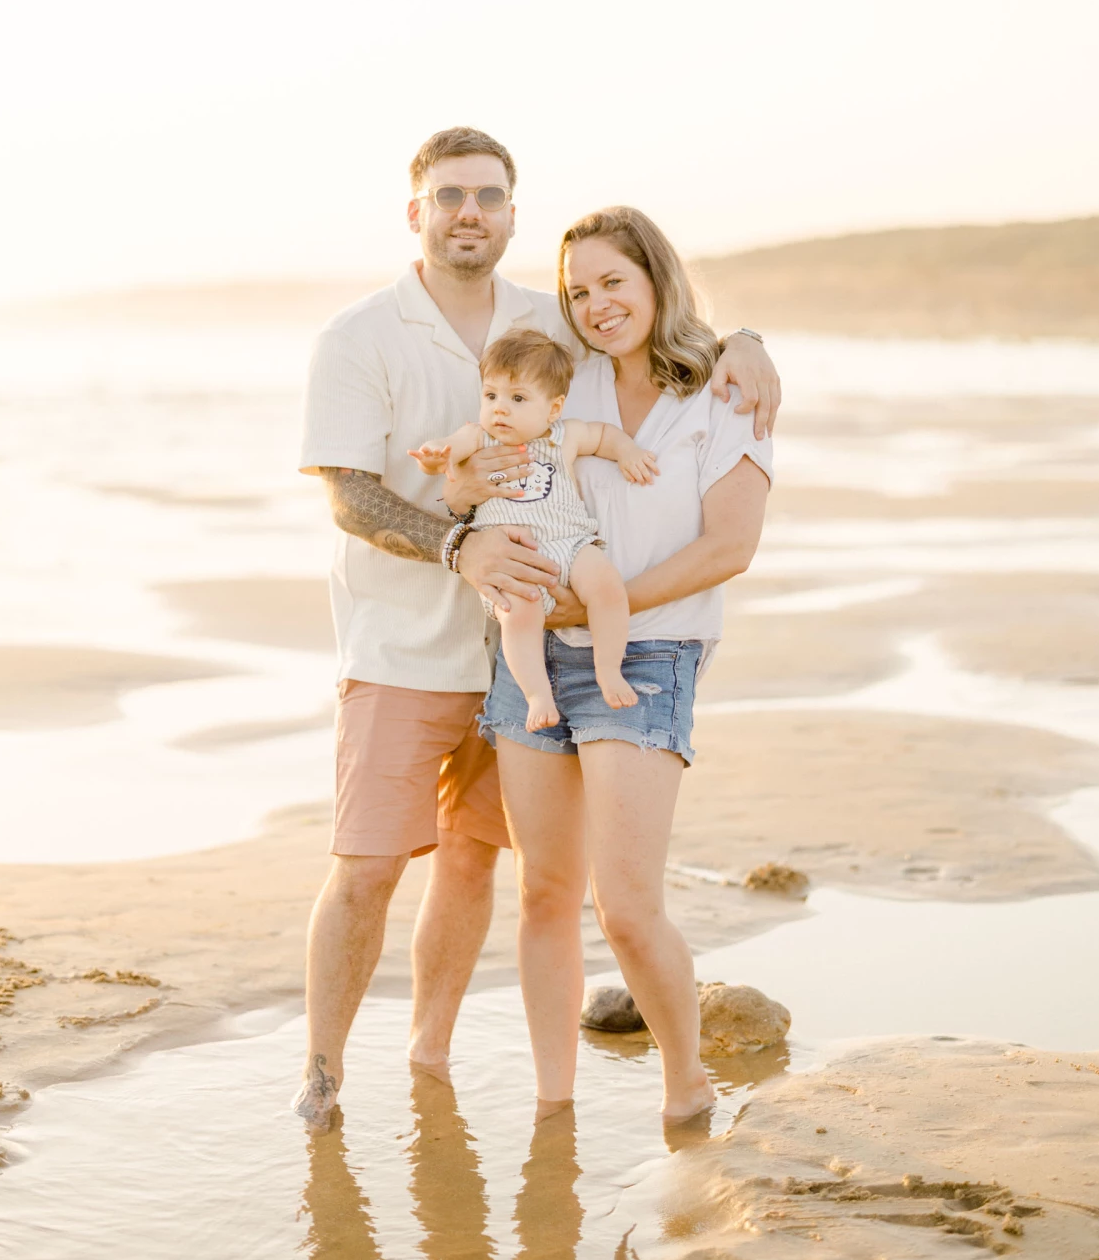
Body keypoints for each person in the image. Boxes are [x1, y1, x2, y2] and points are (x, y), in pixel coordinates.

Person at [293, 128, 780, 1127]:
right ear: (416, 211)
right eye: (448, 195)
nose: (468, 211)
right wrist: (456, 541)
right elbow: (351, 492)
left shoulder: (548, 328)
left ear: (510, 215)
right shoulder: (366, 338)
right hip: (410, 646)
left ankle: (438, 1057)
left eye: (488, 196)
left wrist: (748, 344)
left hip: (535, 653)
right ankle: (325, 1075)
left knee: (494, 868)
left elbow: (661, 344)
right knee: (379, 866)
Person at [480, 206, 772, 1124]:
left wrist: (605, 605)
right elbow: (482, 470)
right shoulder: (567, 388)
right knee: (541, 891)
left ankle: (685, 1087)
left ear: (656, 278)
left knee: (627, 907)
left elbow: (730, 546)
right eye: (579, 291)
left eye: (615, 281)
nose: (598, 304)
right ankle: (552, 1104)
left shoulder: (722, 392)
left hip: (650, 652)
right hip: (533, 651)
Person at [410, 326, 659, 728]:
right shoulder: (479, 437)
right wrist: (435, 457)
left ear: (553, 409)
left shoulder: (566, 435)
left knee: (607, 587)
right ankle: (537, 694)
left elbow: (605, 436)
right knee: (518, 614)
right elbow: (449, 449)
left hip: (571, 543)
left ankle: (608, 669)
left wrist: (627, 451)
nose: (500, 409)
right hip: (514, 559)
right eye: (491, 396)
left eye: (518, 398)